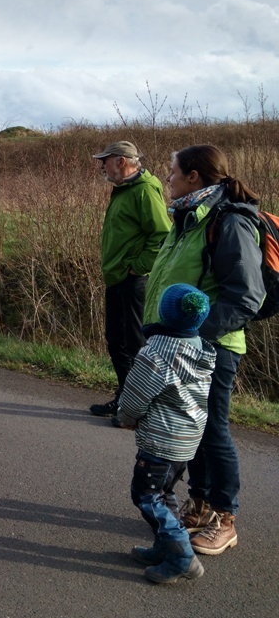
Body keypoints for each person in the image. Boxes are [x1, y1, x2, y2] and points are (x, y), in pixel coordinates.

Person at [143, 144, 265, 557]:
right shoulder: (190, 216)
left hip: (213, 346)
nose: (168, 179)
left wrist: (199, 334)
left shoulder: (228, 221)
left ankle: (225, 519)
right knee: (191, 429)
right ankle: (199, 504)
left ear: (194, 176)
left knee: (213, 430)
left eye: (173, 172)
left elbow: (246, 295)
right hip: (183, 345)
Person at [117, 283, 215, 584]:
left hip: (161, 441)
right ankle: (164, 546)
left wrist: (126, 417)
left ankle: (182, 556)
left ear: (164, 313)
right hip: (187, 440)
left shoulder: (156, 354)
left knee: (146, 495)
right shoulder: (201, 349)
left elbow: (135, 395)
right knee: (165, 492)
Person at [89, 141, 171, 423]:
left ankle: (139, 408)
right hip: (117, 277)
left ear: (121, 161)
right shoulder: (123, 189)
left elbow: (161, 235)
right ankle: (125, 399)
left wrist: (137, 268)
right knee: (116, 340)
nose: (102, 166)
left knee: (133, 342)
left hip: (132, 280)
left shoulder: (145, 190)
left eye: (105, 160)